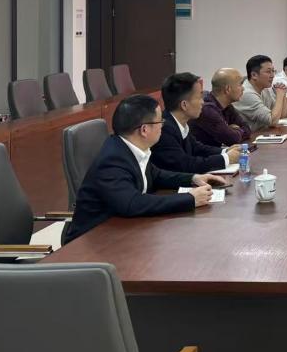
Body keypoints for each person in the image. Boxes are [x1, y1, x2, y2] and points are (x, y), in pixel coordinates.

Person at [64, 94, 230, 244]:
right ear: (144, 130)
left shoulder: (132, 148)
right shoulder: (113, 160)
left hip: (122, 230)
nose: (163, 126)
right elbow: (132, 203)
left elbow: (156, 174)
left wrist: (193, 178)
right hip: (92, 242)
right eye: (160, 122)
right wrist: (189, 199)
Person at [151, 72, 244, 173]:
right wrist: (226, 158)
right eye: (199, 97)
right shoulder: (164, 129)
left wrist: (226, 151)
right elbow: (185, 165)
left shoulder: (179, 122)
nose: (202, 102)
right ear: (184, 105)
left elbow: (197, 148)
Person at [190, 68, 254, 147]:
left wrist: (232, 130)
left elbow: (247, 128)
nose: (243, 88)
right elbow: (232, 139)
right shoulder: (207, 109)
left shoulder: (227, 106)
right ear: (227, 89)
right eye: (240, 84)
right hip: (204, 154)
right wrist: (234, 130)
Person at [235, 55, 287, 130]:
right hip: (249, 136)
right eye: (268, 72)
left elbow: (282, 115)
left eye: (273, 71)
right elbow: (273, 121)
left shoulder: (265, 88)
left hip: (262, 133)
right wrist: (279, 95)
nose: (272, 75)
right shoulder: (246, 93)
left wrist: (282, 94)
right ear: (254, 75)